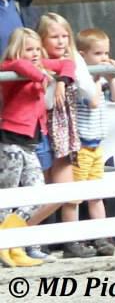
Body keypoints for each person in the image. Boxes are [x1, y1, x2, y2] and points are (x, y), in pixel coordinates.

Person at [0, 27, 74, 267]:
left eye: (36, 49)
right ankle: (8, 246)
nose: (34, 54)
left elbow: (67, 65)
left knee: (36, 193)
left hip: (30, 141)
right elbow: (19, 65)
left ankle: (12, 240)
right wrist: (43, 77)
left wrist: (61, 81)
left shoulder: (39, 65)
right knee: (7, 194)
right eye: (28, 49)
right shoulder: (10, 66)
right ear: (17, 50)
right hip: (10, 139)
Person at [31, 13, 100, 258]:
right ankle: (23, 238)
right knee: (39, 189)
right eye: (54, 36)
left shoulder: (71, 60)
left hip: (65, 130)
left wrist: (68, 76)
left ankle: (66, 240)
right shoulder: (36, 61)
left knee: (65, 190)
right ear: (42, 39)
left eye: (65, 36)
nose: (61, 41)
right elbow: (46, 101)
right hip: (40, 130)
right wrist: (59, 79)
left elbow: (91, 95)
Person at [73, 28, 115, 256]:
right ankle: (74, 239)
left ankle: (102, 236)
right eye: (98, 54)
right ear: (83, 55)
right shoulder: (80, 80)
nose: (104, 58)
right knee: (75, 197)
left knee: (97, 194)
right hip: (81, 144)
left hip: (97, 145)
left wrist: (111, 77)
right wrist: (96, 79)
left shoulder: (100, 78)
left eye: (106, 53)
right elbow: (93, 102)